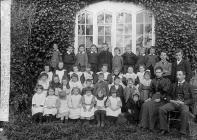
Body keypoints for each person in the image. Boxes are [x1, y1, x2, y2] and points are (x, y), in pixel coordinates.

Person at [159, 70, 194, 135]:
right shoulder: (173, 85)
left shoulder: (189, 85)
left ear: (184, 76)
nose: (177, 76)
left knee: (185, 111)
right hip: (174, 103)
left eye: (180, 75)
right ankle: (164, 129)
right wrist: (171, 100)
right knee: (162, 109)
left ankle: (183, 132)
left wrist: (184, 103)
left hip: (183, 104)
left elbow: (193, 99)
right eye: (177, 75)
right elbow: (168, 95)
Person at [139, 66, 171, 132]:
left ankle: (152, 127)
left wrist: (161, 99)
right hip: (154, 97)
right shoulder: (153, 80)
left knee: (151, 106)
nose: (157, 74)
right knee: (145, 105)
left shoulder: (166, 81)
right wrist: (150, 98)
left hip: (162, 98)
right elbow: (151, 91)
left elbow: (166, 92)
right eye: (156, 72)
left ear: (162, 73)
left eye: (159, 72)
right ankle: (144, 125)